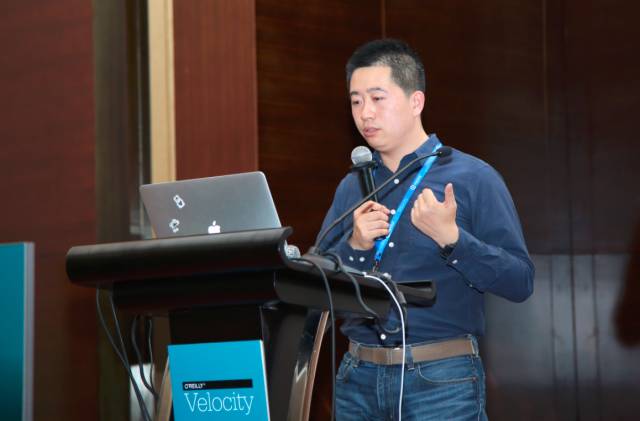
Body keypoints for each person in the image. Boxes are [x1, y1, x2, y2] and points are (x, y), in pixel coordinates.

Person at [317, 39, 535, 420]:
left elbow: (520, 281)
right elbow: (314, 285)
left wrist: (454, 241)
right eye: (355, 101)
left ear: (416, 101)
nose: (365, 113)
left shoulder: (472, 178)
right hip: (358, 379)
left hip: (441, 381)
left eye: (377, 98)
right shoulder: (352, 187)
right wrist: (355, 245)